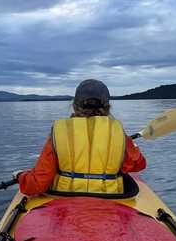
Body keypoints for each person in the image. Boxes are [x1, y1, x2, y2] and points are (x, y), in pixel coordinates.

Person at [15, 79, 145, 198]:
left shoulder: (60, 131)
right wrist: (128, 146)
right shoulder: (119, 133)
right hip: (111, 198)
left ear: (74, 105)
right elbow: (139, 165)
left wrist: (21, 176)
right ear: (107, 107)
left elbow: (36, 185)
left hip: (64, 198)